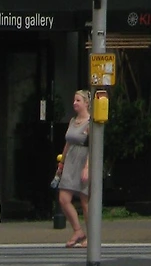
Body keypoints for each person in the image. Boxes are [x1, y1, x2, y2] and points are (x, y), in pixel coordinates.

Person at [56, 91, 91, 247]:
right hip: (71, 161)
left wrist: (87, 167)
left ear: (86, 103)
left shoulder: (91, 123)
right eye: (74, 100)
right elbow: (68, 143)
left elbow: (93, 146)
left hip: (84, 161)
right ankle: (78, 230)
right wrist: (61, 163)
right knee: (64, 198)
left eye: (78, 100)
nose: (74, 103)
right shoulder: (72, 121)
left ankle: (91, 235)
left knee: (85, 201)